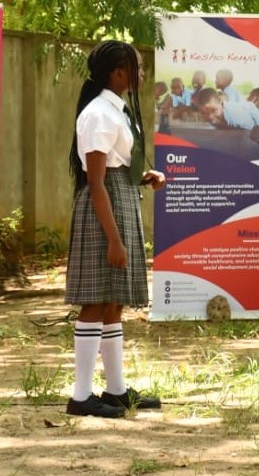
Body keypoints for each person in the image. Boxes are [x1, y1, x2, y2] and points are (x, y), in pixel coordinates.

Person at [64, 41, 166, 418]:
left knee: (113, 301)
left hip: (119, 199)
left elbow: (115, 167)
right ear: (118, 73)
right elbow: (95, 183)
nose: (141, 75)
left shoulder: (117, 111)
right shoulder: (98, 114)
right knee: (95, 300)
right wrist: (113, 238)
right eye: (136, 69)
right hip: (103, 209)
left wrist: (143, 177)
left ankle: (117, 391)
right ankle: (80, 396)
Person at [192, 87, 259, 131]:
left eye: (214, 110)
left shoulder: (235, 115)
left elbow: (251, 129)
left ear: (221, 103)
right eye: (203, 113)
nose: (210, 116)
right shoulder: (215, 114)